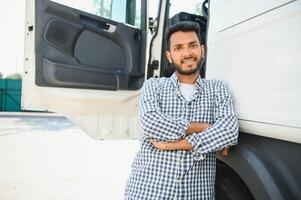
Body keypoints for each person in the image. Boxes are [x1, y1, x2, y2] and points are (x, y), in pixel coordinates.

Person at [124, 21, 239, 200]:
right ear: (169, 56)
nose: (187, 53)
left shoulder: (218, 88)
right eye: (178, 48)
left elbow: (229, 132)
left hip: (195, 195)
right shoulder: (153, 86)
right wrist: (206, 127)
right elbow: (150, 124)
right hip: (146, 192)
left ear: (202, 50)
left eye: (192, 45)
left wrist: (174, 144)